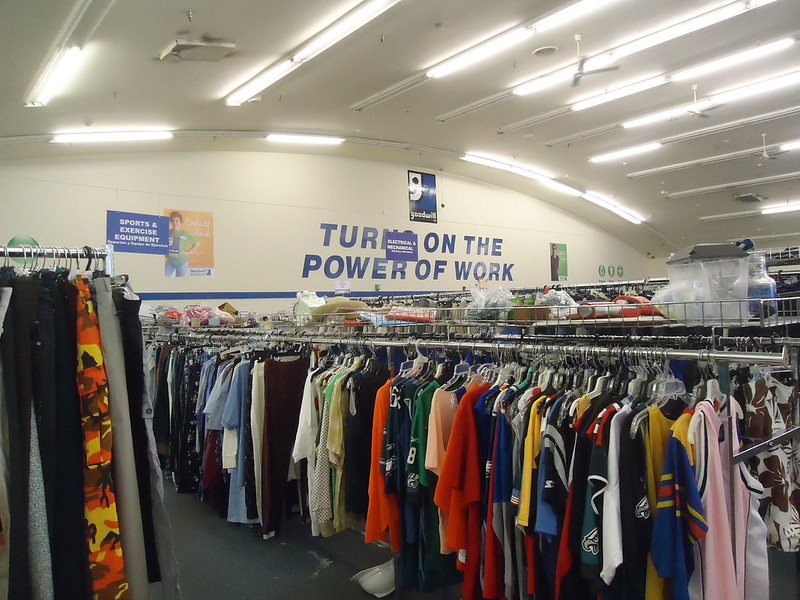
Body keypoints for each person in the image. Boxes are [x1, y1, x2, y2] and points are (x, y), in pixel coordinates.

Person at [165, 211, 199, 277]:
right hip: (170, 262)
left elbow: (197, 243)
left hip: (182, 263)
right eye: (173, 221)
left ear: (180, 222)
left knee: (179, 283)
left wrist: (189, 252)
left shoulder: (185, 234)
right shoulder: (167, 233)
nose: (175, 223)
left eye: (177, 220)